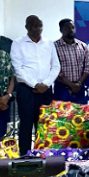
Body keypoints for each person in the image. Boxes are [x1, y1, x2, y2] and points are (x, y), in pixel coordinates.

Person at [11, 15, 60, 155]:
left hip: (46, 90)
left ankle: (43, 155)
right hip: (26, 90)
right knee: (26, 125)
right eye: (33, 26)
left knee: (44, 126)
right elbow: (18, 69)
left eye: (39, 26)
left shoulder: (49, 43)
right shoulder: (18, 43)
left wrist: (46, 84)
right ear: (26, 27)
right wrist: (34, 84)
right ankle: (25, 157)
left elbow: (56, 66)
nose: (37, 29)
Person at [53, 18, 89, 104]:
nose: (71, 30)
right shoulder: (54, 47)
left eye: (73, 27)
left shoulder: (83, 46)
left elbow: (88, 67)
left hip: (79, 88)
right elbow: (54, 69)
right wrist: (71, 85)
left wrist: (79, 83)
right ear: (61, 30)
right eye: (67, 27)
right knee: (61, 116)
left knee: (79, 116)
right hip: (62, 89)